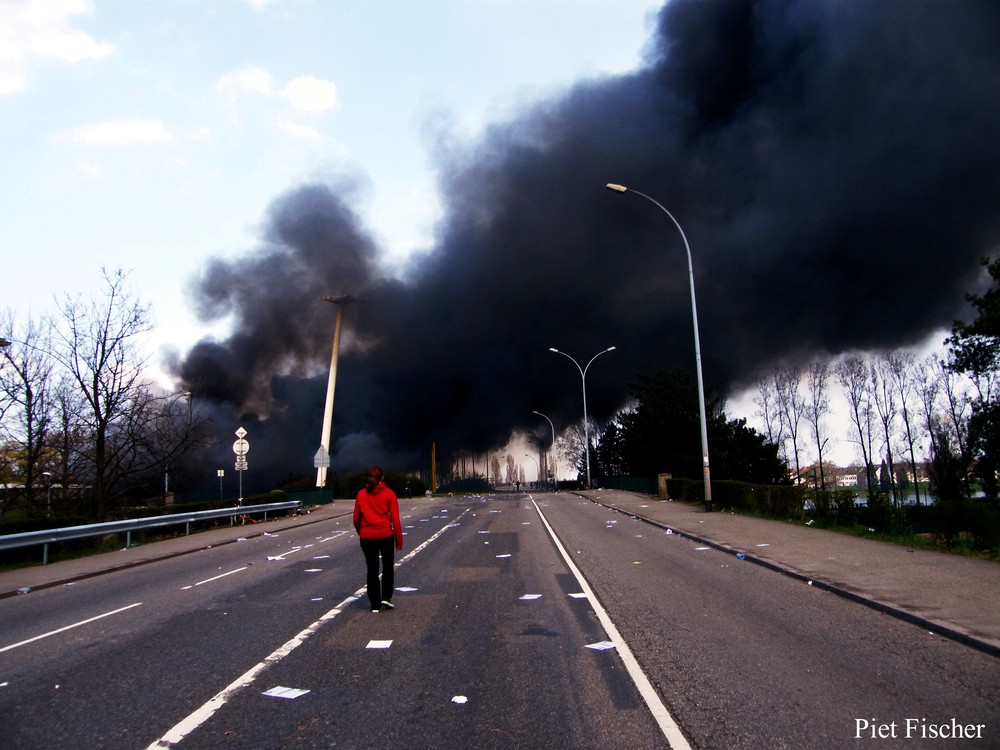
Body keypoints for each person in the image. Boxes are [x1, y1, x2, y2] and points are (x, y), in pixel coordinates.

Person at [353, 466, 403, 612]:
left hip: (367, 536)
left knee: (372, 569)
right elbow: (395, 520)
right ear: (382, 478)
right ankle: (386, 598)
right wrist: (399, 541)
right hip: (385, 535)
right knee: (388, 567)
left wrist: (361, 531)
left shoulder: (361, 494)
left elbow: (356, 518)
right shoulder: (389, 494)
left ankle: (374, 603)